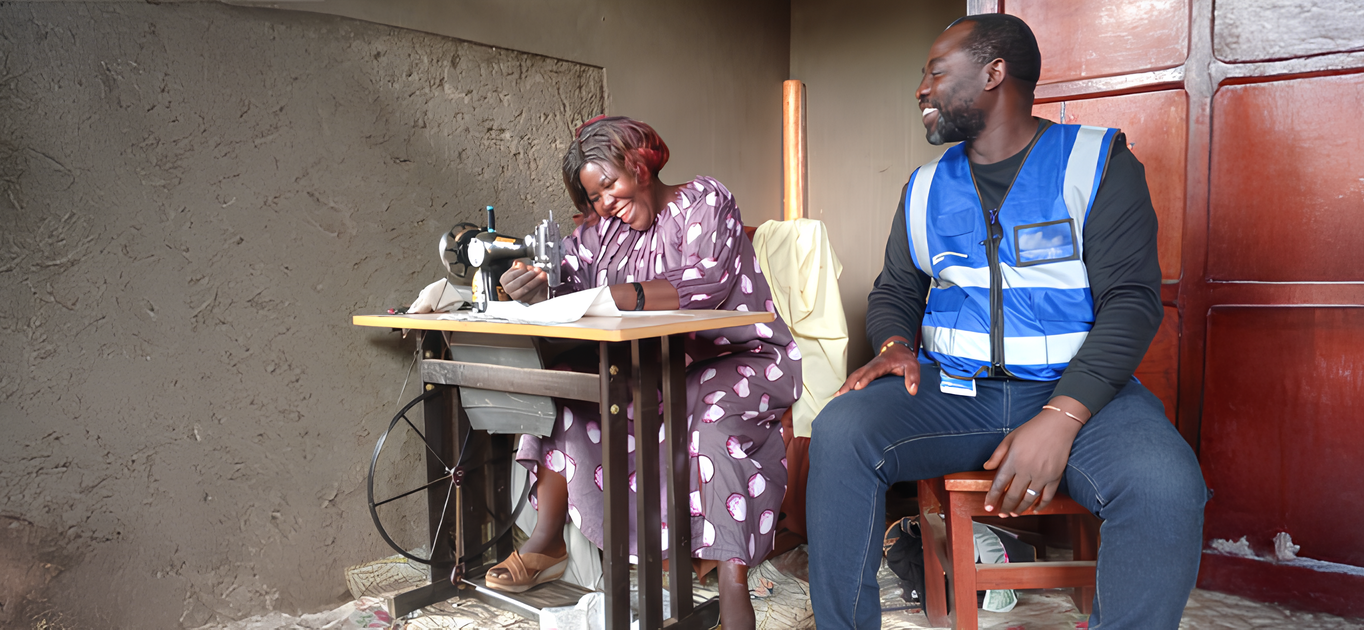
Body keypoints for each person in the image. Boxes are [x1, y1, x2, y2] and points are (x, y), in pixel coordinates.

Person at [806, 14, 1208, 629]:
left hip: (1082, 394)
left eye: (936, 72)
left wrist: (1062, 416)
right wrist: (892, 344)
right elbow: (896, 288)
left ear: (995, 73)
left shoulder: (1096, 162)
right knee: (841, 431)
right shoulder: (921, 189)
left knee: (1166, 486)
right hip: (954, 394)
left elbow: (1132, 302)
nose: (921, 88)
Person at [493, 115, 801, 630]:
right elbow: (568, 283)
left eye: (609, 185)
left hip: (743, 360)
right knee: (570, 391)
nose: (605, 204)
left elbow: (708, 285)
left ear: (639, 164)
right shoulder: (600, 233)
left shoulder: (705, 200)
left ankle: (731, 585)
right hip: (660, 371)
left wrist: (614, 295)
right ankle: (546, 544)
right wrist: (536, 285)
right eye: (593, 198)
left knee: (712, 423)